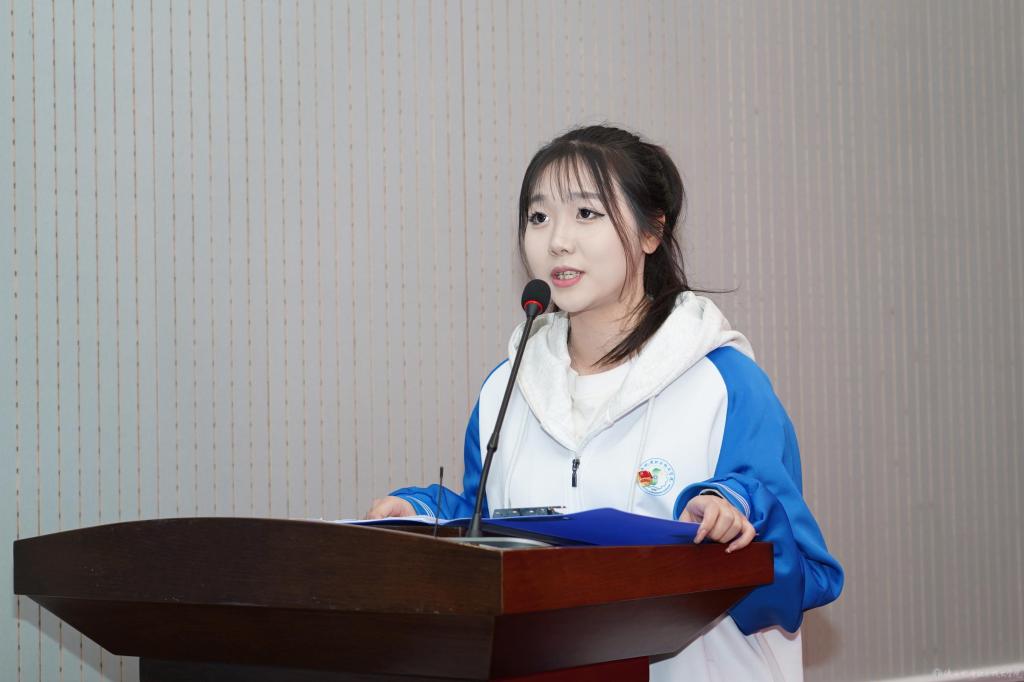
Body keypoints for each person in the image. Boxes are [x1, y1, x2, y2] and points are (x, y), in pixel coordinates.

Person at [365, 125, 844, 681]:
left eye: (586, 213)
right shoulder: (506, 387)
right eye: (539, 217)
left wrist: (733, 513)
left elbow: (803, 576)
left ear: (651, 231)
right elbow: (490, 525)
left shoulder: (723, 381)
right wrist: (422, 515)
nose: (557, 241)